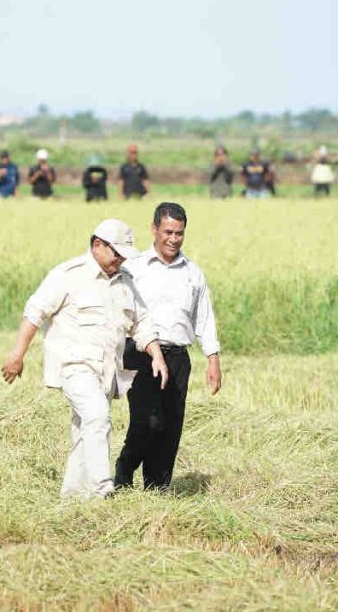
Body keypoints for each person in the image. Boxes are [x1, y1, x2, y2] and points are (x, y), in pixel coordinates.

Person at [1, 219, 168, 499]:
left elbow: (141, 324)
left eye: (124, 255)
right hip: (74, 366)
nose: (120, 260)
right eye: (116, 253)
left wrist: (157, 356)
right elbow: (35, 313)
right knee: (98, 417)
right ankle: (102, 490)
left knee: (85, 430)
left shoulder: (126, 281)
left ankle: (74, 497)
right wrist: (17, 355)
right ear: (97, 245)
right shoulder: (67, 275)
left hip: (108, 371)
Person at [116, 202, 221, 492]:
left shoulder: (193, 273)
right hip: (140, 354)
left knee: (170, 426)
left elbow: (204, 317)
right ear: (154, 230)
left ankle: (157, 488)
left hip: (177, 358)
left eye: (179, 233)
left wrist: (213, 359)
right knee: (147, 422)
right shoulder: (133, 268)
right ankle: (123, 474)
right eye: (168, 232)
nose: (174, 239)